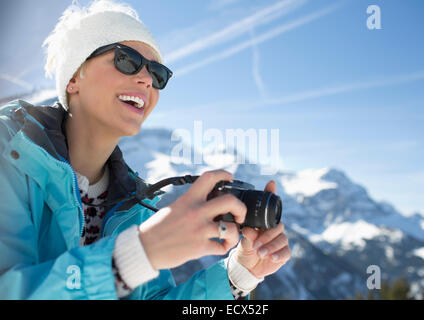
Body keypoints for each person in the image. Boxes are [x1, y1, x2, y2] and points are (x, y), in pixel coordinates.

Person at [0, 0, 291, 300]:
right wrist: (136, 255)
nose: (147, 80)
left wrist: (239, 274)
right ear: (74, 78)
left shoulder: (135, 204)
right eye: (127, 60)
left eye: (158, 74)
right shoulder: (9, 152)